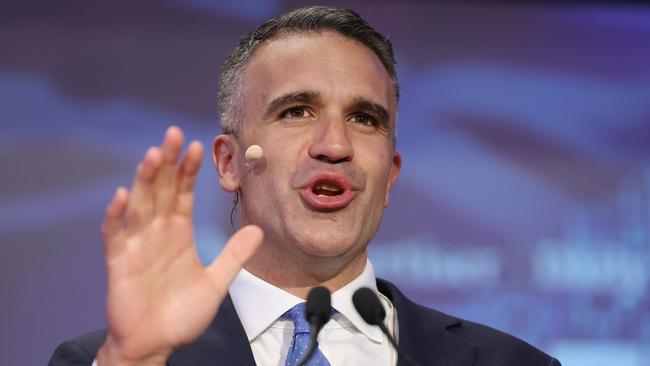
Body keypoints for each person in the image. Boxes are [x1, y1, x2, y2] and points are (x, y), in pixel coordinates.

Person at [49, 6, 560, 366]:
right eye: (297, 111)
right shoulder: (107, 361)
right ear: (228, 164)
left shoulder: (511, 362)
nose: (334, 145)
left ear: (390, 178)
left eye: (364, 118)